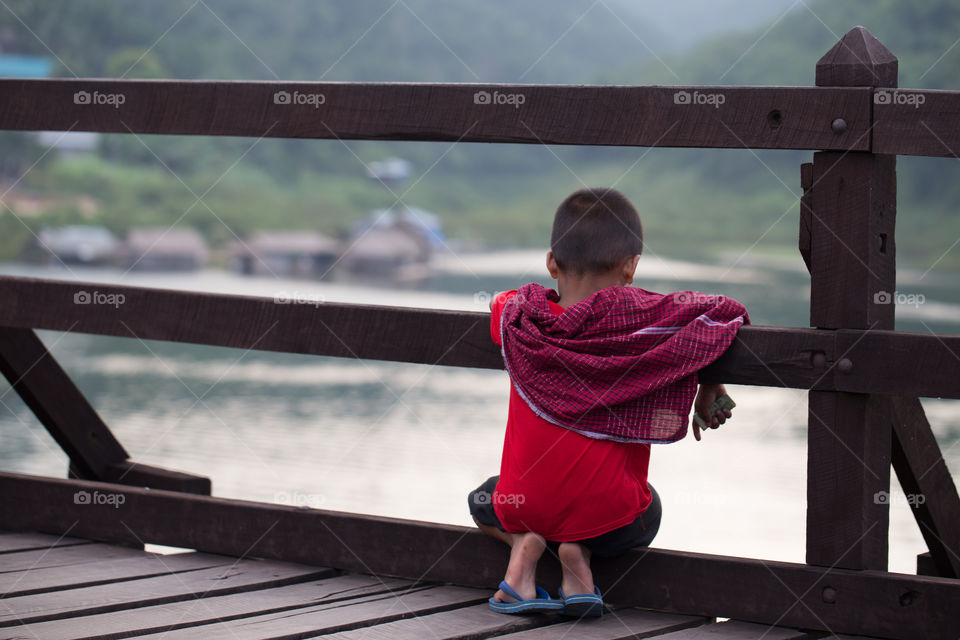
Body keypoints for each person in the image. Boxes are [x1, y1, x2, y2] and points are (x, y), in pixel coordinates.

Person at [468, 187, 749, 618]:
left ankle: (524, 546)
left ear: (551, 263)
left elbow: (498, 302)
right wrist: (711, 380)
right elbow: (723, 313)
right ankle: (577, 557)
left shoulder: (520, 318)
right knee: (648, 508)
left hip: (525, 509)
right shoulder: (648, 320)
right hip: (609, 523)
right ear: (631, 267)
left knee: (483, 500)